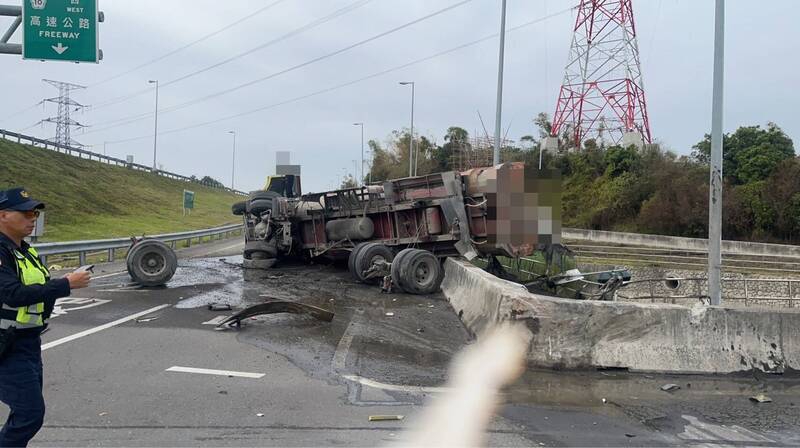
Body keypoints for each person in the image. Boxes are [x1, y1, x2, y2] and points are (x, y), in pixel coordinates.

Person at [0, 187, 90, 447]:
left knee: (26, 412)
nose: (33, 218)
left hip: (27, 342)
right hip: (6, 345)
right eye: (26, 212)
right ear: (4, 215)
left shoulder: (25, 251)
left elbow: (37, 290)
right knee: (29, 414)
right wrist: (66, 284)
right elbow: (12, 293)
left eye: (35, 213)